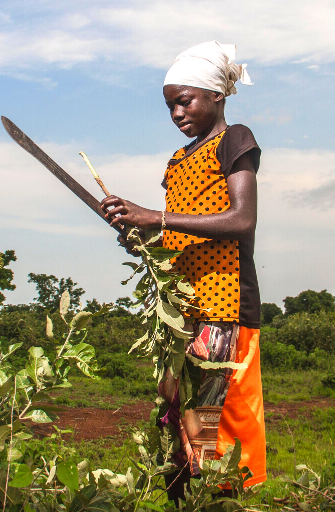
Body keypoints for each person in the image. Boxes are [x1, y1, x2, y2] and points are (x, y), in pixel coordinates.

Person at [99, 41, 266, 501]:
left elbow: (241, 219)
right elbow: (174, 238)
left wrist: (155, 217)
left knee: (208, 427)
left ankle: (219, 504)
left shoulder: (235, 140)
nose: (176, 113)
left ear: (217, 96)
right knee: (173, 422)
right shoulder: (177, 162)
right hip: (179, 307)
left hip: (223, 306)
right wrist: (140, 237)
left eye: (184, 100)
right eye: (170, 104)